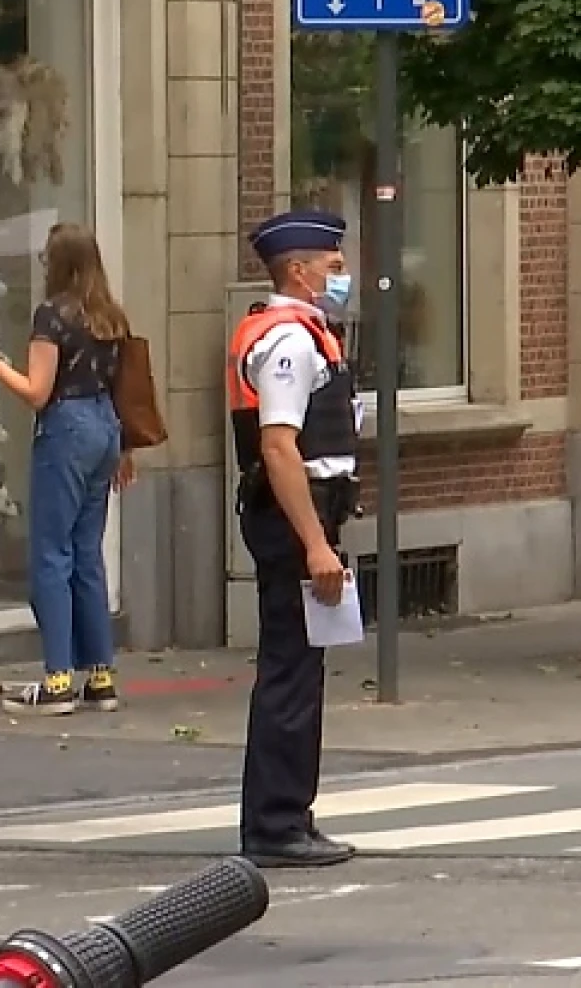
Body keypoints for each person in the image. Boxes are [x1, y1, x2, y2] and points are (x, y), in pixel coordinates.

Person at [0, 224, 136, 717]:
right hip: (105, 428)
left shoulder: (52, 316)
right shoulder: (110, 316)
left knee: (51, 555)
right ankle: (101, 676)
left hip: (66, 429)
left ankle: (57, 679)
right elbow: (122, 388)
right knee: (87, 554)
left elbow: (37, 391)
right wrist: (125, 449)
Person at [230, 209, 363, 868]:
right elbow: (279, 449)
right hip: (294, 519)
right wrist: (315, 544)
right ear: (299, 271)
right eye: (334, 266)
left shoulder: (311, 334)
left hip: (308, 514)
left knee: (302, 668)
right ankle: (276, 823)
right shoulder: (289, 342)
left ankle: (288, 815)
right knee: (290, 670)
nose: (343, 275)